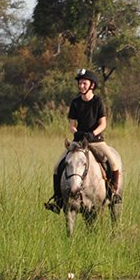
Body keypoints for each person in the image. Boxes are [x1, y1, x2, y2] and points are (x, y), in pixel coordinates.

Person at [45, 67, 123, 212]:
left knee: (113, 163)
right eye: (80, 83)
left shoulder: (98, 101)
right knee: (57, 166)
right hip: (79, 141)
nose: (81, 86)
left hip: (96, 140)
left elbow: (103, 123)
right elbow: (72, 125)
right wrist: (77, 133)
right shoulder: (75, 102)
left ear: (91, 85)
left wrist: (92, 134)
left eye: (84, 83)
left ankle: (113, 194)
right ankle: (58, 200)